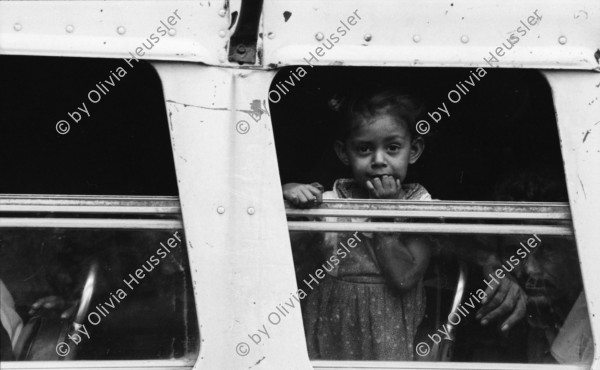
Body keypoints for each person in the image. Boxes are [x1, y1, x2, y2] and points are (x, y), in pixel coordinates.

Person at [283, 89, 432, 360]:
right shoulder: (330, 201)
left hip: (389, 327)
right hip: (330, 323)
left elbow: (403, 278)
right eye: (364, 149)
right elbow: (286, 255)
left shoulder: (419, 207)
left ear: (414, 151)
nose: (378, 160)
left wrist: (383, 212)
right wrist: (287, 191)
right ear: (343, 152)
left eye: (393, 148)